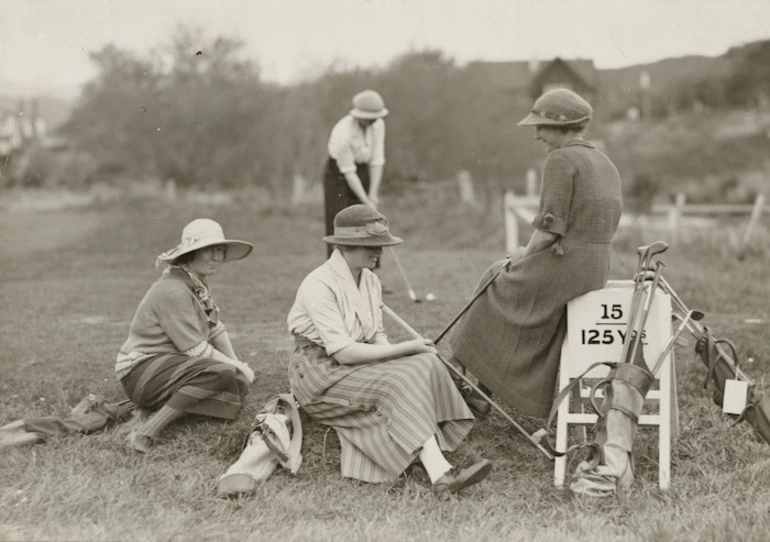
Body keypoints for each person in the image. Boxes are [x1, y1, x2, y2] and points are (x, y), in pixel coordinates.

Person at [287, 204, 492, 498]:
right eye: (371, 246)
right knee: (399, 379)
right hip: (319, 374)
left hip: (351, 365)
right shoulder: (318, 284)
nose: (379, 252)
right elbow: (343, 352)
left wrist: (407, 355)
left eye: (381, 245)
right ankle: (441, 474)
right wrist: (404, 349)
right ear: (345, 245)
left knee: (426, 363)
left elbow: (376, 336)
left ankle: (433, 448)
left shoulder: (369, 279)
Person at [449, 88, 623, 419]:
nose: (536, 134)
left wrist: (521, 254)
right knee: (502, 280)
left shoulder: (560, 159)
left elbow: (547, 230)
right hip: (595, 267)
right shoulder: (603, 161)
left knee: (494, 278)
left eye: (542, 126)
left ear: (563, 126)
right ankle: (479, 387)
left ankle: (460, 374)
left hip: (565, 264)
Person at [116, 218, 256, 453]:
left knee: (236, 384)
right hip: (141, 370)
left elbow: (215, 328)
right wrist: (234, 366)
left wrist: (239, 364)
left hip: (172, 366)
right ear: (190, 254)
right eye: (208, 251)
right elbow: (197, 350)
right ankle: (147, 430)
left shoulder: (195, 282)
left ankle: (157, 409)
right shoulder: (173, 290)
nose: (216, 258)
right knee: (220, 372)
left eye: (220, 250)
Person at [323, 90, 387, 260]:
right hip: (339, 175)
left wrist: (373, 194)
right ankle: (340, 277)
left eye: (374, 118)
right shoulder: (343, 134)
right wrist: (366, 201)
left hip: (363, 169)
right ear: (358, 115)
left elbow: (377, 160)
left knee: (369, 221)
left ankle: (369, 279)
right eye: (368, 118)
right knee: (343, 224)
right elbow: (349, 173)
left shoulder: (378, 124)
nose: (372, 121)